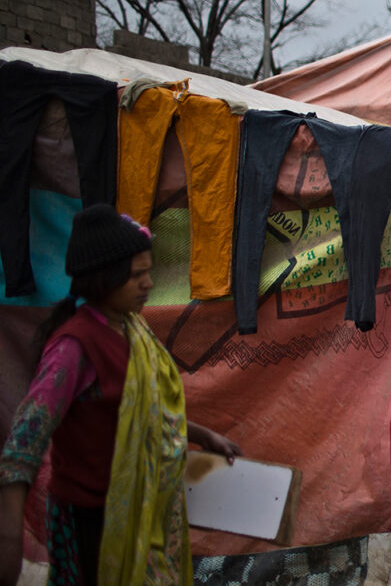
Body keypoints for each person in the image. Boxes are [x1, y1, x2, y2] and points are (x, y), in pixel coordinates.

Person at [0, 204, 241, 586]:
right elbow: (24, 440)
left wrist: (201, 435)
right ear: (102, 279)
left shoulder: (132, 330)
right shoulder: (73, 349)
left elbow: (141, 410)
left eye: (148, 272)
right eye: (136, 276)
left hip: (139, 510)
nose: (148, 284)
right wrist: (9, 531)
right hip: (92, 519)